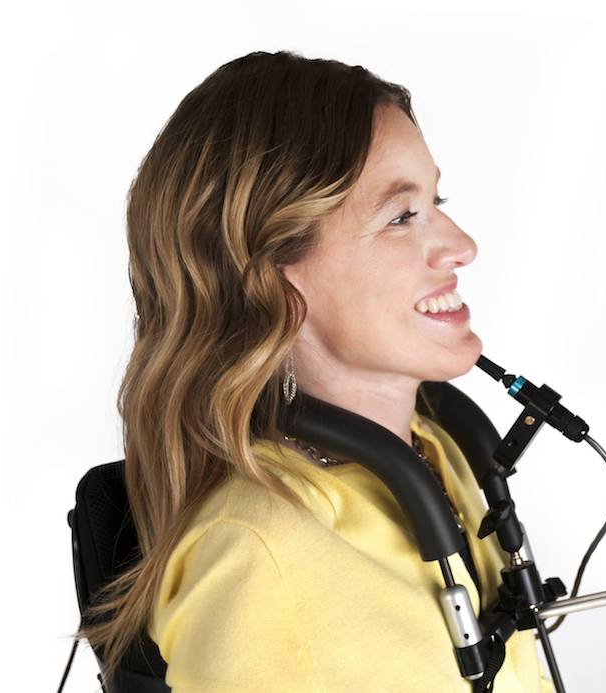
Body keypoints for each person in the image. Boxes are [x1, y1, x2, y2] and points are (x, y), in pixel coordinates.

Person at [75, 50, 555, 692]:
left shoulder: (442, 453)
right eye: (401, 216)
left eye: (435, 200)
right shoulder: (259, 556)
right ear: (271, 274)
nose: (461, 245)